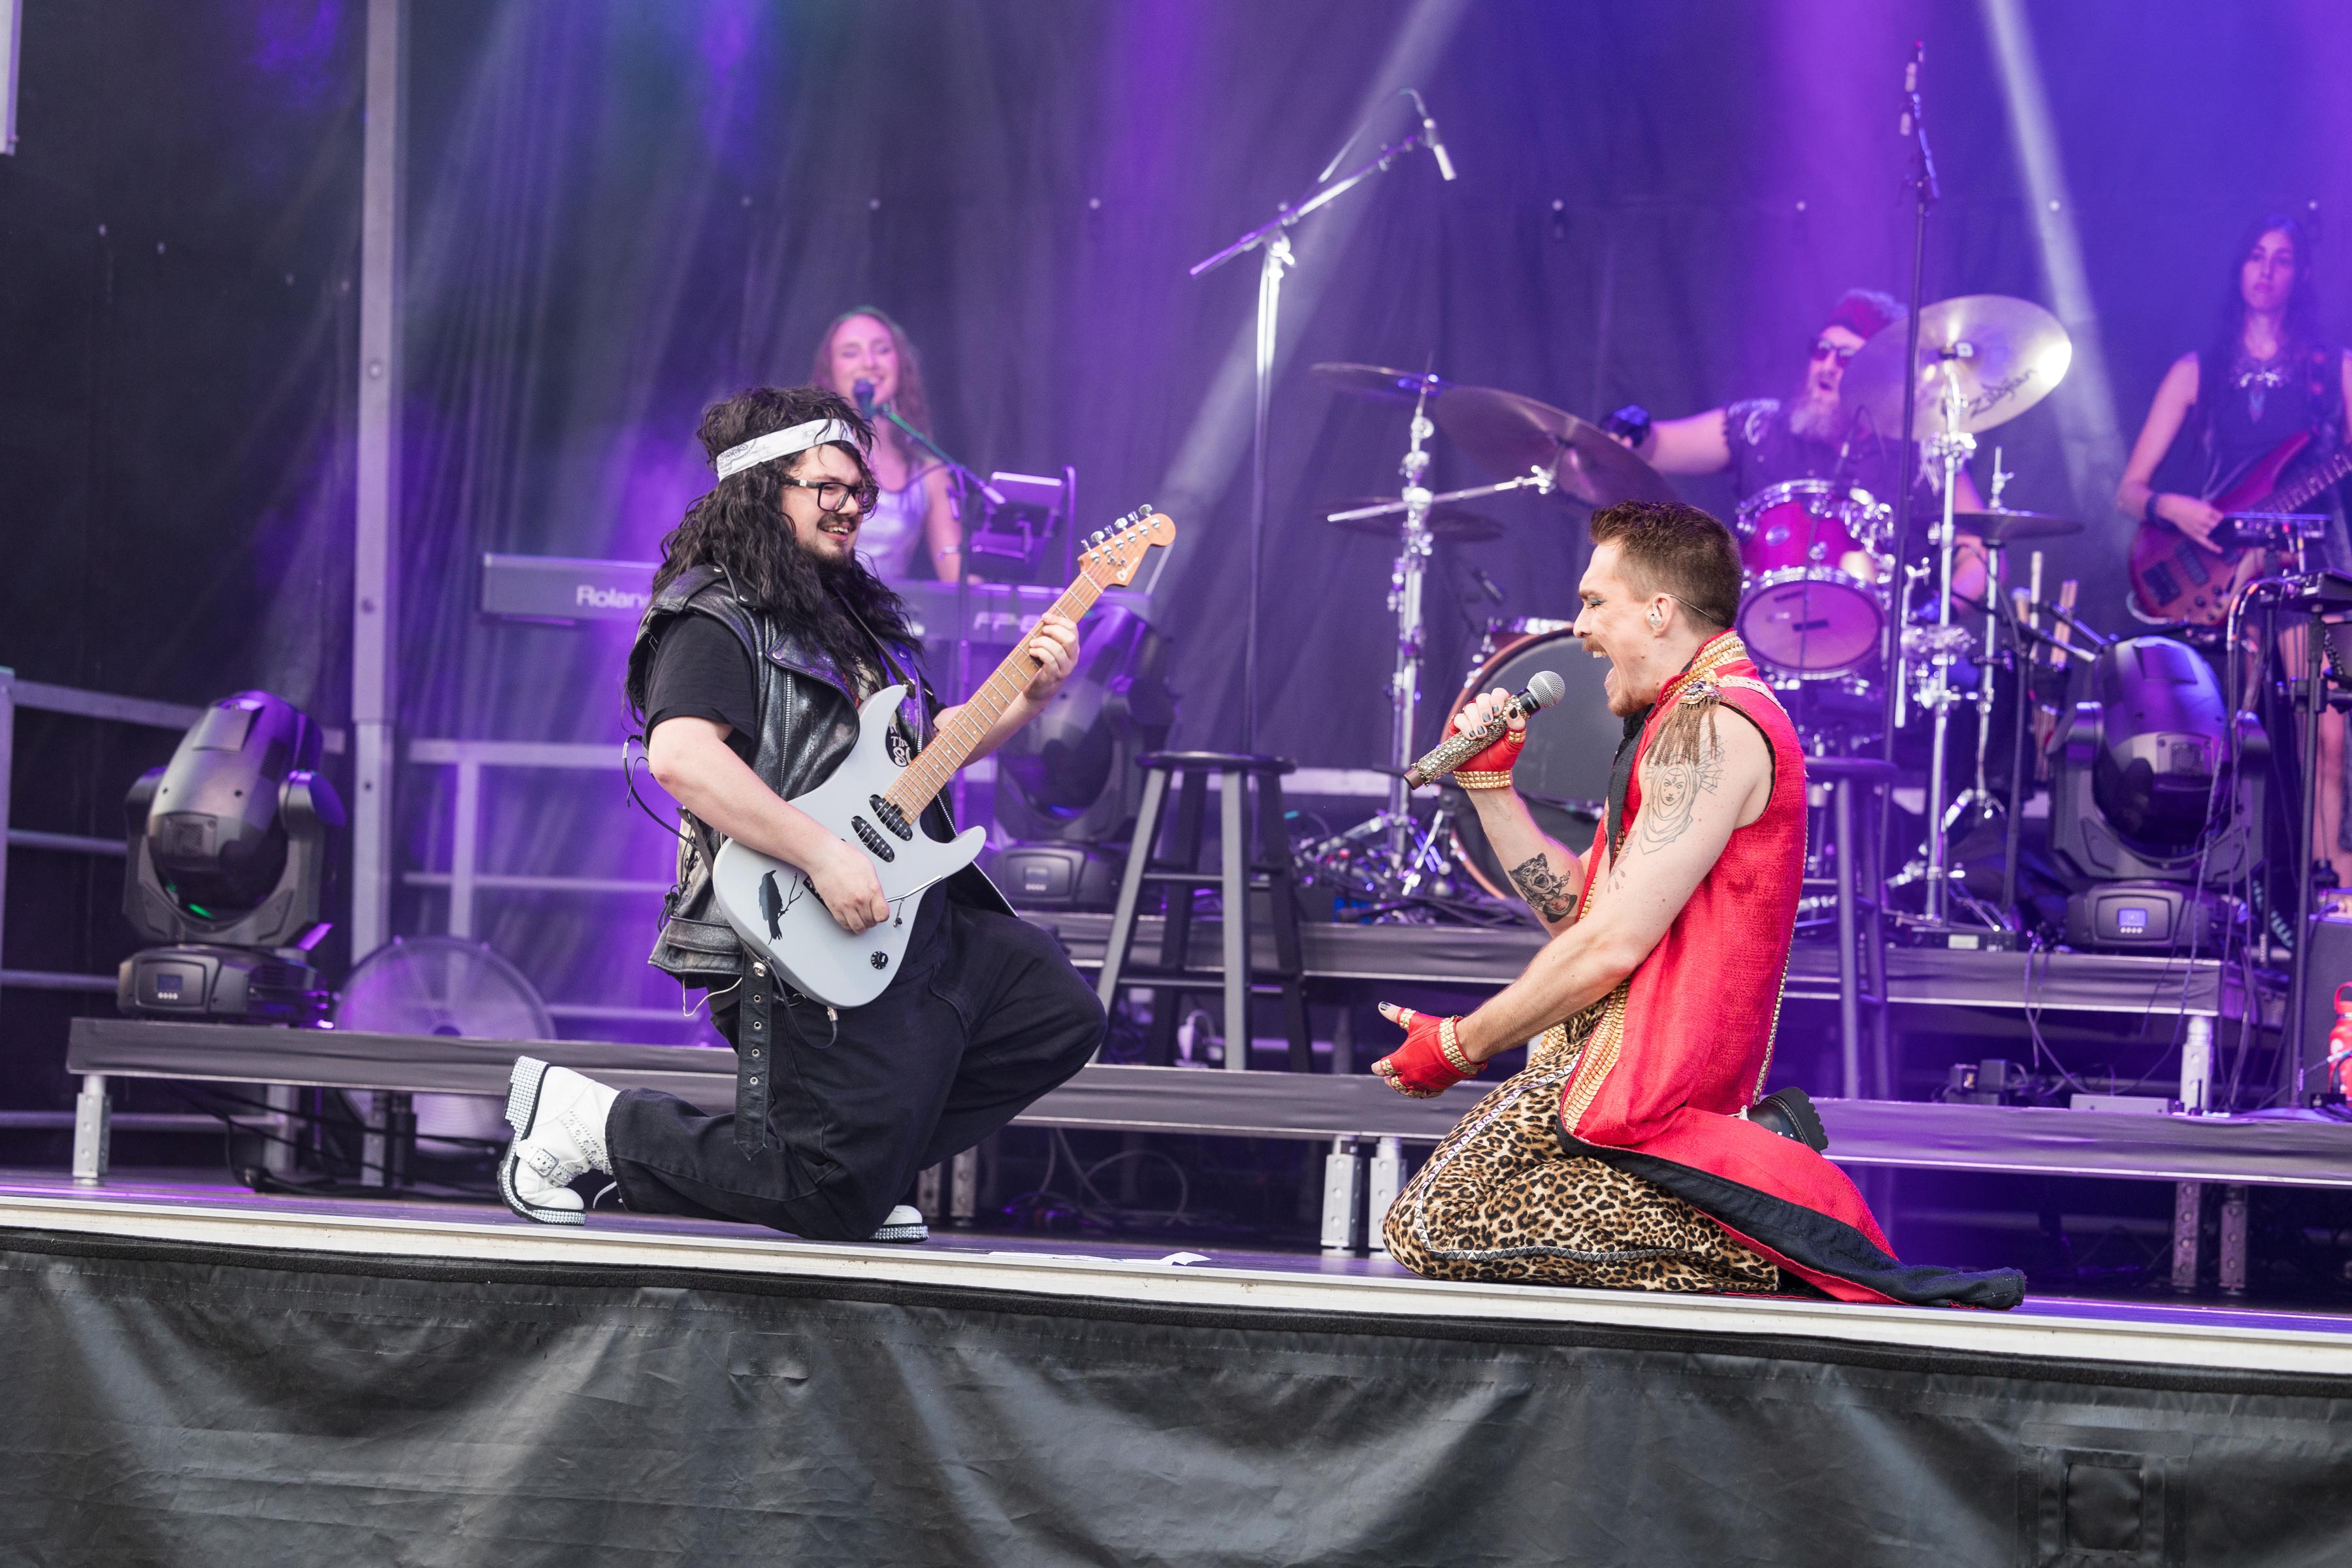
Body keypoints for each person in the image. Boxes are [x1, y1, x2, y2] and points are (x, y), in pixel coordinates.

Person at [1372, 499, 2021, 1308]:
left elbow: (1609, 947)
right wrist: (1490, 788)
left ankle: (1777, 1228)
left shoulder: (1713, 725)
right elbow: (1584, 914)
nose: (1579, 628)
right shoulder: (1676, 721)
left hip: (1646, 1075)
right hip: (1600, 1063)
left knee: (1435, 1222)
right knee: (1438, 1220)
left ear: (1659, 610)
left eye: (1594, 602)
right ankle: (1751, 1198)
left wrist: (1464, 1044)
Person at [495, 384, 1105, 1240]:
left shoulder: (851, 619)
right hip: (795, 924)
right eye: (829, 488)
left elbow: (919, 765)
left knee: (1056, 1015)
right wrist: (823, 855)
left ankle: (866, 1166)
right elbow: (682, 759)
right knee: (828, 1197)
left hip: (904, 906)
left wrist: (1029, 698)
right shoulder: (713, 613)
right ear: (760, 488)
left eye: (862, 492)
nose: (853, 506)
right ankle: (594, 1124)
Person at [2115, 212, 2352, 889]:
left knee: (2328, 734)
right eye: (2255, 256)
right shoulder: (2199, 370)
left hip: (2317, 570)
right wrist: (2172, 507)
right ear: (2239, 269)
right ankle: (2226, 894)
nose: (2267, 270)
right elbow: (2129, 490)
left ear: (2299, 273)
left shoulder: (2332, 370)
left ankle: (2327, 884)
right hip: (2223, 571)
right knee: (2233, 736)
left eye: (2282, 258)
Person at [1608, 287, 1987, 607]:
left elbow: (1981, 553)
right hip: (1762, 634)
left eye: (1845, 358)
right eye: (1820, 350)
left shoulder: (1920, 453)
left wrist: (1938, 615)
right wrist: (1636, 430)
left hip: (1880, 658)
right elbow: (1657, 448)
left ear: (1881, 375)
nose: (1826, 366)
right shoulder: (1760, 425)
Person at [813, 307, 965, 582]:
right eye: (850, 352)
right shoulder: (811, 456)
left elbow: (958, 579)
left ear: (900, 364)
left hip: (884, 620)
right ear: (829, 372)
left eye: (881, 349)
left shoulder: (929, 474)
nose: (869, 362)